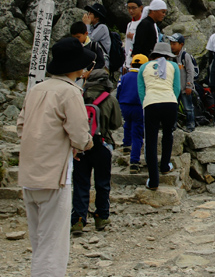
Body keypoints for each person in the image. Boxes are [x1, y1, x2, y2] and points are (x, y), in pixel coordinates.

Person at [17, 37, 94, 277]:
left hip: (29, 172)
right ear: (78, 68)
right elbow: (81, 137)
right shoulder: (70, 93)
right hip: (55, 175)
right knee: (53, 245)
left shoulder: (36, 89)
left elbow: (21, 126)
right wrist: (80, 146)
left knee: (39, 239)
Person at [71, 66, 122, 235]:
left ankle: (78, 219)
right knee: (102, 183)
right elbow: (116, 124)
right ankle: (101, 217)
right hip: (102, 144)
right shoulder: (110, 99)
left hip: (80, 146)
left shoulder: (79, 97)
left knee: (80, 183)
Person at [137, 42, 181, 190]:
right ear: (168, 55)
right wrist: (171, 99)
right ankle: (164, 165)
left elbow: (141, 90)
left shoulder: (144, 67)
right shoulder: (173, 66)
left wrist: (146, 102)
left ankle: (153, 180)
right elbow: (177, 88)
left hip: (151, 103)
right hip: (170, 102)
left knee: (151, 140)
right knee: (168, 134)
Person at [117, 54, 147, 172]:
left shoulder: (124, 77)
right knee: (137, 133)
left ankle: (126, 144)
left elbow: (119, 91)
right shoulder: (143, 77)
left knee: (127, 123)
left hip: (124, 104)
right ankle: (134, 161)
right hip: (138, 106)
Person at [168, 34, 196, 132]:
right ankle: (173, 125)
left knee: (188, 107)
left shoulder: (185, 56)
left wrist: (189, 85)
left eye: (174, 44)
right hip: (173, 88)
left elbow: (190, 71)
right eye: (171, 43)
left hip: (184, 87)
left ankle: (190, 125)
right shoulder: (169, 57)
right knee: (173, 107)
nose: (172, 46)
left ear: (181, 44)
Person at [124, 0, 144, 70]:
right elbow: (127, 45)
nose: (131, 11)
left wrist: (135, 37)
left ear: (141, 8)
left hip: (141, 61)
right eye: (129, 8)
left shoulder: (146, 23)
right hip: (129, 61)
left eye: (133, 8)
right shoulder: (129, 24)